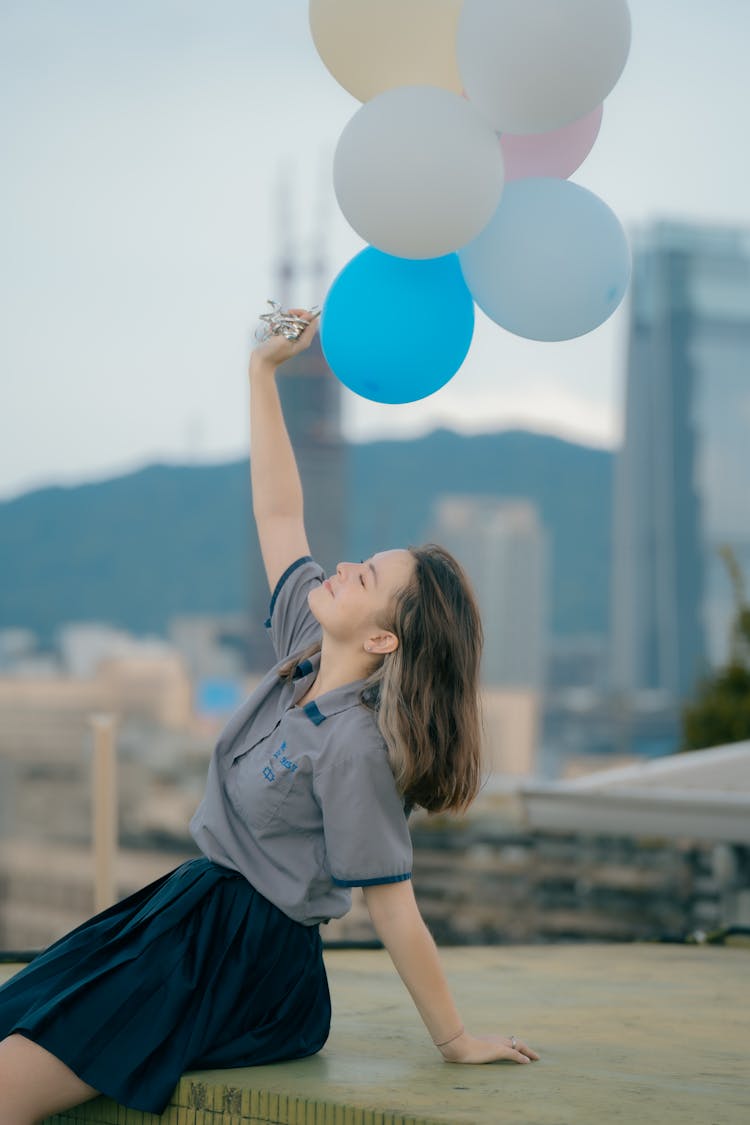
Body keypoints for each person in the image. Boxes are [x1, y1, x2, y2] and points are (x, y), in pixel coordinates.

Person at [0, 309, 539, 1123]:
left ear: (384, 637)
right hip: (184, 910)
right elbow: (278, 513)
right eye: (363, 559)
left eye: (367, 579)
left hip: (243, 955)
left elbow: (393, 904)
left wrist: (455, 1037)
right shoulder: (302, 646)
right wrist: (262, 373)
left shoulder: (354, 746)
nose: (348, 565)